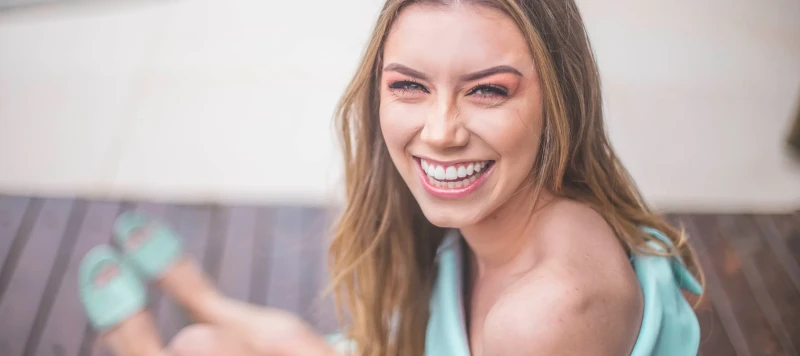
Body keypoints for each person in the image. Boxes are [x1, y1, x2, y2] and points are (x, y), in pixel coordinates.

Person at [77, 0, 705, 355]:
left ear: (559, 99)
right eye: (409, 85)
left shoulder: (544, 319)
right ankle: (204, 299)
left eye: (487, 90)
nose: (439, 132)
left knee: (198, 353)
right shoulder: (540, 207)